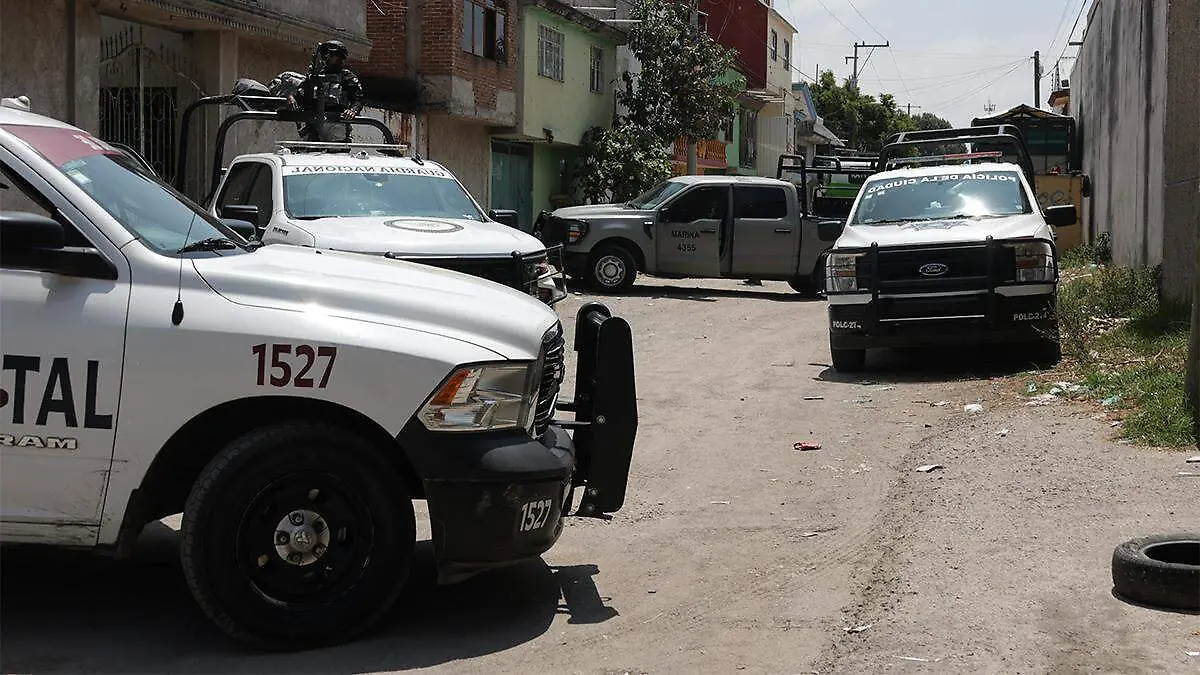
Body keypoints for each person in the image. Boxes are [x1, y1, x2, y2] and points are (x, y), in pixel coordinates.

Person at [288, 40, 364, 142]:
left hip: (336, 121)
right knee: (310, 155)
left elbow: (358, 99)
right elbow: (300, 94)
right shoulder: (314, 76)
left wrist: (353, 110)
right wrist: (291, 97)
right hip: (313, 123)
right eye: (325, 54)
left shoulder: (347, 77)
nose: (327, 58)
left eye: (331, 55)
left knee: (336, 155)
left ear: (340, 57)